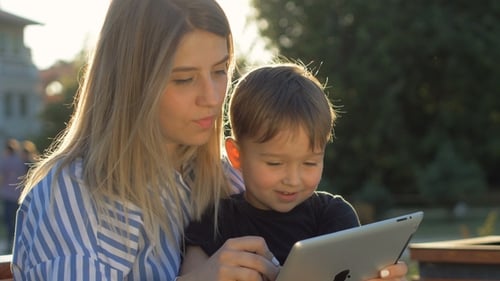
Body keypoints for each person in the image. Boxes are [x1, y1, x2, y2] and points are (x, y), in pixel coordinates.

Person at [13, 0, 408, 280]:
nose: (213, 96)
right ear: (133, 84)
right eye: (184, 79)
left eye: (220, 71)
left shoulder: (225, 177)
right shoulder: (76, 193)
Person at [181, 62, 408, 281]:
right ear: (236, 155)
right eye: (275, 164)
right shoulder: (214, 222)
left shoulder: (332, 217)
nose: (293, 180)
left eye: (310, 163)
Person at [0, 138, 26, 251]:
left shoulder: (4, 161)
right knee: (16, 219)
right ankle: (16, 242)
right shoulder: (19, 161)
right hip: (18, 194)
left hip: (7, 194)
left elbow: (2, 178)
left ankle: (9, 241)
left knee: (7, 219)